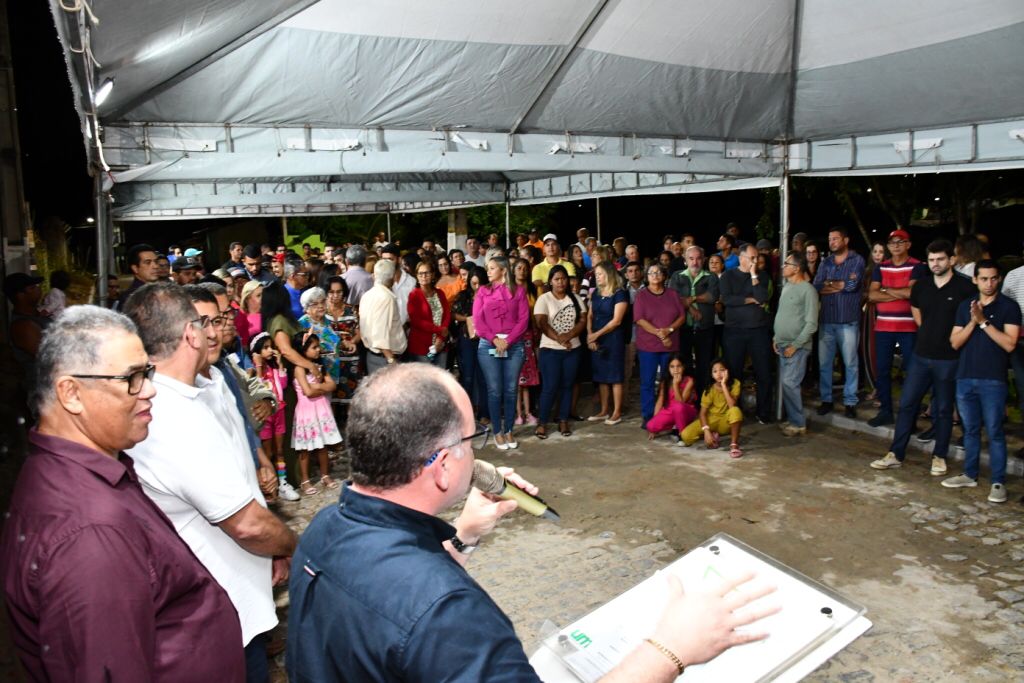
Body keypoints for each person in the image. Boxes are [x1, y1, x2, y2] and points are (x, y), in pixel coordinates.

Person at [288, 363, 776, 682]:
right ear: (441, 467)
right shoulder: (448, 612)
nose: (473, 451)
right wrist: (671, 648)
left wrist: (465, 536)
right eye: (469, 440)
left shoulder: (322, 530)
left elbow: (386, 599)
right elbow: (417, 608)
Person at [0, 306, 246, 681]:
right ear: (71, 393)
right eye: (132, 377)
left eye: (146, 373)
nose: (150, 390)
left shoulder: (80, 472)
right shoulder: (90, 535)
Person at [123, 283, 298, 682]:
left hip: (237, 605)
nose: (214, 330)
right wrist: (296, 546)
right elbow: (247, 524)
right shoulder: (168, 415)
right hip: (213, 618)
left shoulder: (203, 386)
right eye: (204, 322)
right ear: (190, 334)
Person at [870, 240, 975, 476]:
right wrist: (928, 332)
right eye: (931, 260)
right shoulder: (922, 286)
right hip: (921, 355)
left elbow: (971, 320)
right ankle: (896, 453)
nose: (935, 264)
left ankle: (939, 456)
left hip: (949, 358)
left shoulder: (965, 288)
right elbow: (917, 313)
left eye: (940, 259)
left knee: (944, 410)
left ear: (951, 260)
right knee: (907, 405)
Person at [940, 260, 1020, 503]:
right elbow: (955, 342)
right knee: (970, 430)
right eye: (984, 278)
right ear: (975, 279)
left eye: (993, 278)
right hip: (965, 377)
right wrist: (973, 322)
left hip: (993, 379)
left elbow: (1009, 343)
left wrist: (984, 322)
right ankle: (970, 473)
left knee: (995, 431)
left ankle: (998, 482)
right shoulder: (966, 306)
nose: (989, 283)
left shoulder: (1009, 307)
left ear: (1000, 279)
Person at [866, 229, 926, 427]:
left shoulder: (917, 266)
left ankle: (911, 416)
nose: (896, 245)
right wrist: (900, 293)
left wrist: (886, 290)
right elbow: (872, 295)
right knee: (882, 370)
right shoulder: (881, 267)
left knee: (912, 371)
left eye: (901, 242)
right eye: (892, 242)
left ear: (908, 244)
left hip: (909, 327)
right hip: (884, 326)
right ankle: (885, 411)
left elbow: (913, 292)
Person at [474, 256, 529, 449]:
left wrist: (508, 340)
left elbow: (523, 320)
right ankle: (497, 431)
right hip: (489, 345)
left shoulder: (520, 292)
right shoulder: (483, 291)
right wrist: (495, 339)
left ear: (504, 270)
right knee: (495, 390)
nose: (487, 272)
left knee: (511, 389)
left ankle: (509, 430)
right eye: (487, 268)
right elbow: (478, 321)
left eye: (492, 268)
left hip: (513, 346)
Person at [718, 244, 774, 424]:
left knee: (763, 372)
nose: (756, 261)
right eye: (752, 258)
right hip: (734, 331)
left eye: (757, 257)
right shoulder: (728, 275)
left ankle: (763, 412)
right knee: (734, 373)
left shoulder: (762, 275)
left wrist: (754, 275)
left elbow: (763, 297)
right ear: (742, 258)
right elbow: (727, 299)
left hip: (758, 331)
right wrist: (750, 299)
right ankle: (736, 411)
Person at [814, 227, 866, 418]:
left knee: (850, 363)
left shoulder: (857, 260)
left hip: (848, 321)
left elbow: (852, 286)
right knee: (824, 364)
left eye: (836, 239)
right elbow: (818, 286)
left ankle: (850, 401)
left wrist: (832, 284)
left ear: (846, 240)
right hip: (827, 320)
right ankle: (826, 399)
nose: (832, 242)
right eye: (830, 239)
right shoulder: (825, 262)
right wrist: (840, 285)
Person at [533, 265, 587, 439]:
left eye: (563, 278)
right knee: (549, 386)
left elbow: (582, 321)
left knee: (567, 386)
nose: (561, 282)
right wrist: (559, 339)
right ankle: (542, 423)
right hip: (550, 349)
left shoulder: (576, 298)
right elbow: (541, 322)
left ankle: (563, 420)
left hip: (573, 349)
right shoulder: (544, 298)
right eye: (557, 279)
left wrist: (569, 336)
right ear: (550, 281)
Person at [633, 263, 687, 429]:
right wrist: (660, 333)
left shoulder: (672, 294)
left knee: (669, 381)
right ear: (646, 276)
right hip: (648, 346)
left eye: (658, 272)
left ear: (664, 276)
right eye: (651, 272)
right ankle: (648, 416)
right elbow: (639, 319)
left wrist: (669, 330)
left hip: (670, 346)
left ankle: (669, 414)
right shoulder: (641, 295)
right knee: (648, 382)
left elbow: (682, 316)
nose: (655, 275)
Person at [289, 330, 342, 496]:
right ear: (303, 350)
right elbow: (307, 392)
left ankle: (325, 474)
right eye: (314, 347)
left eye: (318, 346)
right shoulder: (299, 369)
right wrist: (320, 387)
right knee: (305, 449)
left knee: (323, 446)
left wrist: (317, 387)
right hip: (307, 412)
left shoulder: (320, 366)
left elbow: (331, 385)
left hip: (321, 410)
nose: (318, 350)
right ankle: (305, 480)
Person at [773, 252, 819, 437]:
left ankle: (798, 423)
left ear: (797, 268)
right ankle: (794, 420)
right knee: (787, 384)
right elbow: (782, 315)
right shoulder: (787, 287)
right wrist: (776, 337)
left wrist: (797, 344)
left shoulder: (808, 290)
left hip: (797, 347)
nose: (783, 266)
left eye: (787, 263)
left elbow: (811, 323)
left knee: (790, 383)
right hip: (783, 344)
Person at [251, 333, 298, 500]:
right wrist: (257, 367)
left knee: (279, 450)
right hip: (265, 417)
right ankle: (269, 486)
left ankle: (283, 483)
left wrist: (280, 365)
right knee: (267, 452)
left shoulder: (273, 369)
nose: (270, 350)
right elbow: (255, 388)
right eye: (265, 348)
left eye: (271, 347)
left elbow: (283, 385)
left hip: (279, 411)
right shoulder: (254, 370)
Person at [668, 246, 719, 397]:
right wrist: (692, 309)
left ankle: (701, 401)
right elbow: (674, 298)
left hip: (705, 328)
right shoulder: (677, 276)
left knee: (704, 365)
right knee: (684, 365)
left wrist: (692, 299)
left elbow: (712, 296)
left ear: (703, 260)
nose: (695, 262)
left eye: (698, 258)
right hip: (683, 328)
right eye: (691, 258)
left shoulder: (711, 276)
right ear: (685, 260)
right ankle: (686, 399)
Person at [587, 261, 629, 425]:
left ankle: (617, 412)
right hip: (597, 338)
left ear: (609, 274)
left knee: (615, 376)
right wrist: (590, 334)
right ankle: (604, 410)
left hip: (613, 339)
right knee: (601, 376)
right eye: (596, 275)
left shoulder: (620, 293)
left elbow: (617, 321)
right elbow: (590, 315)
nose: (597, 277)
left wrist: (596, 334)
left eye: (600, 274)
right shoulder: (596, 293)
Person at [681, 359, 745, 458]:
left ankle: (734, 445)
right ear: (711, 374)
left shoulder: (735, 383)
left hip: (726, 420)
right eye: (715, 371)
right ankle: (712, 436)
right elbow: (702, 413)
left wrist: (723, 385)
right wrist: (706, 431)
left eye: (722, 370)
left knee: (735, 411)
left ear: (727, 371)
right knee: (685, 436)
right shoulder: (709, 389)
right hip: (711, 420)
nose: (718, 374)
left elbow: (732, 405)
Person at [4, 272, 49, 395]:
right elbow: (52, 357)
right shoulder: (23, 327)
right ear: (20, 296)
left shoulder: (36, 316)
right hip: (43, 392)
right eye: (32, 288)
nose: (38, 289)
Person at [359, 259, 407, 373]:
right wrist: (391, 360)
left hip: (375, 356)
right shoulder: (386, 298)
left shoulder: (367, 295)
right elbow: (380, 335)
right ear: (393, 277)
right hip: (385, 358)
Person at [452, 264, 487, 416]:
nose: (477, 287)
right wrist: (468, 319)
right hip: (467, 340)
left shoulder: (490, 295)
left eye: (480, 283)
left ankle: (484, 412)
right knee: (467, 376)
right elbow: (453, 314)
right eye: (474, 283)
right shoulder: (463, 295)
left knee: (484, 376)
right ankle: (467, 412)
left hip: (485, 340)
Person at [324, 276, 362, 403]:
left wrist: (352, 342)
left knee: (350, 398)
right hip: (328, 362)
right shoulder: (321, 310)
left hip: (349, 360)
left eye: (339, 292)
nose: (335, 295)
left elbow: (359, 332)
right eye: (331, 292)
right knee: (330, 400)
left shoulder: (351, 310)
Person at [408, 259, 452, 366]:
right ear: (417, 276)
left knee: (440, 379)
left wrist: (440, 338)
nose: (423, 276)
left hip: (440, 343)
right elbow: (416, 321)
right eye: (420, 273)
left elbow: (447, 315)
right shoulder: (414, 295)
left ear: (432, 275)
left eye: (427, 273)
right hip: (421, 346)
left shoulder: (440, 293)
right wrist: (440, 330)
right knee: (424, 380)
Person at [646, 355, 697, 442]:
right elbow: (660, 402)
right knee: (650, 426)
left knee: (678, 407)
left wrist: (675, 385)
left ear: (683, 367)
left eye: (678, 366)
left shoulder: (689, 380)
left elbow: (681, 402)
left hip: (686, 410)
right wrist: (655, 419)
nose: (675, 369)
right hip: (670, 411)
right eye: (672, 367)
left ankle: (682, 434)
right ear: (668, 368)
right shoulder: (665, 381)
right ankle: (675, 426)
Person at [299, 287, 343, 384]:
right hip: (317, 374)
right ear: (306, 308)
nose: (321, 306)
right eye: (315, 304)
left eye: (322, 302)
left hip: (333, 371)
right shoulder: (303, 323)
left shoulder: (326, 320)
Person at [235, 280, 264, 350]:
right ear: (247, 298)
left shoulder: (269, 315)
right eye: (258, 295)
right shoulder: (241, 319)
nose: (263, 298)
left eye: (264, 294)